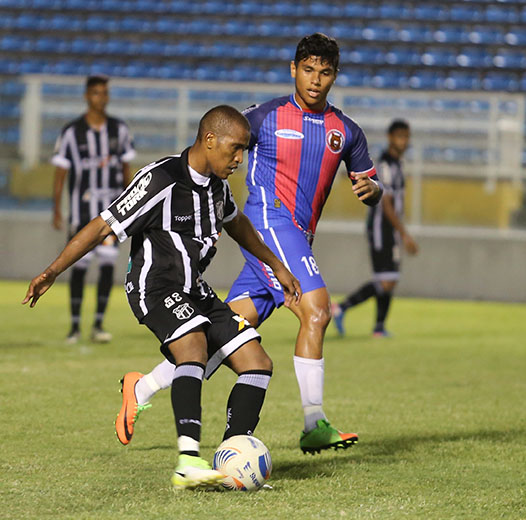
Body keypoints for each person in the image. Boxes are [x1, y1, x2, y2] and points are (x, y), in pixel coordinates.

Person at [116, 33, 382, 455]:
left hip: (295, 237)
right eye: (308, 70)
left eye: (325, 72)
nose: (315, 80)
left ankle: (142, 386)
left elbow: (367, 180)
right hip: (268, 220)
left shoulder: (346, 132)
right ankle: (314, 422)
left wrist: (374, 191)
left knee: (226, 335)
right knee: (317, 309)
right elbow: (217, 139)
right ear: (293, 70)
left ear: (335, 76)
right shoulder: (263, 118)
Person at [25, 106, 301, 489]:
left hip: (195, 291)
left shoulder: (218, 188)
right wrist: (53, 271)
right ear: (209, 140)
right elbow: (103, 224)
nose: (240, 158)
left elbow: (237, 224)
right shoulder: (161, 180)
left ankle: (230, 460)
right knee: (194, 346)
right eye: (235, 149)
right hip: (154, 288)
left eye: (245, 151)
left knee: (257, 362)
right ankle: (188, 461)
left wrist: (277, 266)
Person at [51, 75, 135, 344]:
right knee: (79, 265)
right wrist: (56, 208)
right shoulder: (71, 132)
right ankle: (74, 326)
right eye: (97, 93)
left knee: (108, 264)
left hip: (111, 215)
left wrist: (130, 206)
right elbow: (60, 173)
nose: (102, 98)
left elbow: (126, 171)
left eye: (105, 93)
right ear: (87, 96)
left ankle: (98, 324)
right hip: (81, 212)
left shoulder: (119, 130)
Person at [332, 119, 418, 337]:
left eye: (406, 137)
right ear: (391, 138)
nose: (404, 141)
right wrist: (403, 233)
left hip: (390, 229)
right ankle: (342, 307)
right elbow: (386, 203)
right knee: (387, 280)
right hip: (383, 229)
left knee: (390, 278)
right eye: (400, 136)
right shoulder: (386, 165)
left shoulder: (398, 164)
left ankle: (379, 327)